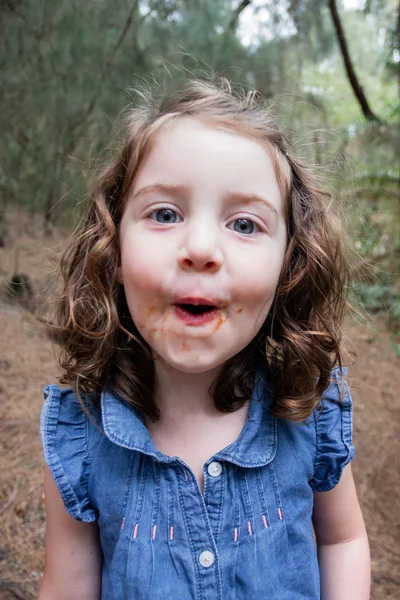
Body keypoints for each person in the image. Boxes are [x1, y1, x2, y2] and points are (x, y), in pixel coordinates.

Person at [38, 78, 370, 600]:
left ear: (291, 264)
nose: (199, 248)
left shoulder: (310, 410)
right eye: (165, 214)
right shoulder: (79, 440)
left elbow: (342, 540)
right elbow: (65, 585)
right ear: (113, 247)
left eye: (244, 224)